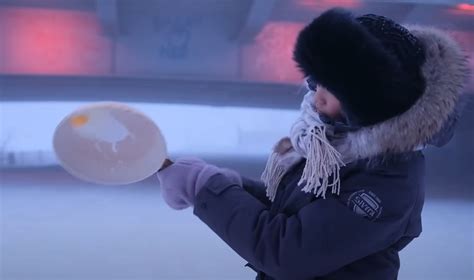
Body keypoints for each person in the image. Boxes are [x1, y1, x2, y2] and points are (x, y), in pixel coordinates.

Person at [156, 8, 470, 280]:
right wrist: (228, 185)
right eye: (317, 80)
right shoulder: (337, 144)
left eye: (334, 90)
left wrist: (203, 187)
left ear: (372, 103)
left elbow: (287, 251)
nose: (316, 95)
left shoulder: (388, 181)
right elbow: (293, 210)